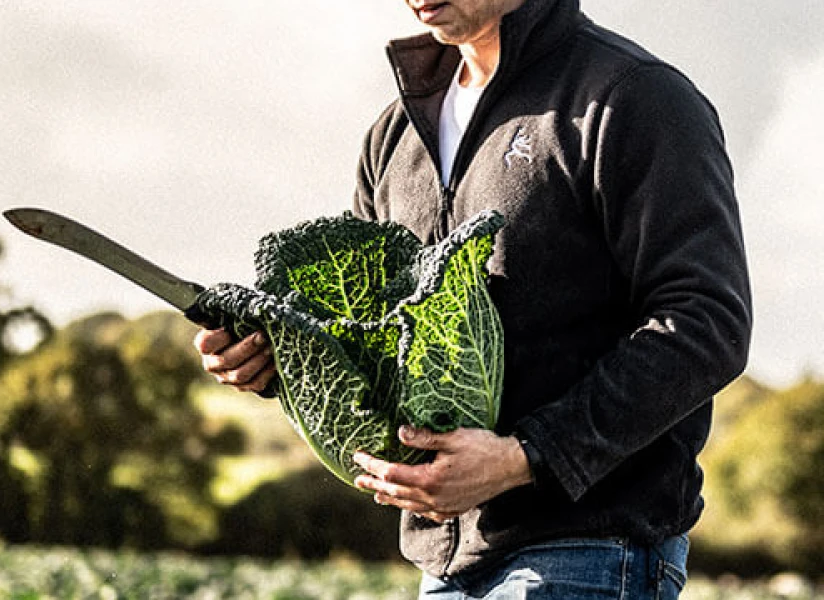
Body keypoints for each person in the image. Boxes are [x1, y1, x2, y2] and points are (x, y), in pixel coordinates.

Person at [194, 0, 752, 597]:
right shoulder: (393, 137)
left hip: (587, 551)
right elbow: (366, 336)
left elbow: (704, 320)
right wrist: (274, 360)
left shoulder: (631, 97)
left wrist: (525, 456)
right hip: (443, 569)